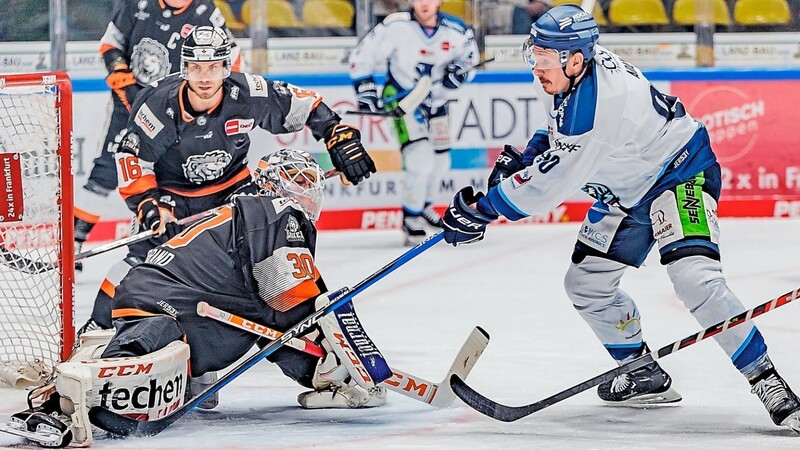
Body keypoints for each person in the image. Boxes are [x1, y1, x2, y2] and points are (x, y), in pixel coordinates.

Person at [441, 5, 800, 432]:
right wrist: (529, 154)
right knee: (586, 284)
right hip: (627, 187)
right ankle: (643, 373)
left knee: (695, 280)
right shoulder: (569, 72)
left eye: (544, 57)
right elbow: (556, 128)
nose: (536, 65)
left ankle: (769, 381)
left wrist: (485, 209)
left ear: (575, 59)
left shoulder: (597, 105)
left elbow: (549, 187)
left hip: (678, 171)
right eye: (533, 53)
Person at [3, 150, 388, 448]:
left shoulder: (249, 215)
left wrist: (312, 370)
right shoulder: (274, 211)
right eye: (297, 180)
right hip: (169, 306)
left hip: (177, 302)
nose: (305, 191)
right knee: (151, 351)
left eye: (310, 182)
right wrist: (334, 349)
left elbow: (270, 320)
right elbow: (285, 298)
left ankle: (88, 387)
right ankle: (62, 401)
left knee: (159, 394)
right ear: (271, 185)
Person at [77, 26, 376, 337]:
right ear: (185, 68)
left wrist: (338, 135)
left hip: (234, 190)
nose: (205, 77)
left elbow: (304, 104)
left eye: (213, 67)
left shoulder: (247, 92)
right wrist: (150, 209)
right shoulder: (158, 103)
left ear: (226, 66)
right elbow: (132, 159)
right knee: (142, 259)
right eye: (196, 68)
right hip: (173, 198)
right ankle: (97, 327)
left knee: (272, 242)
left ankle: (300, 324)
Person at [73, 0, 243, 271]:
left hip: (176, 109)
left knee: (174, 173)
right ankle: (75, 240)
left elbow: (232, 58)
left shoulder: (205, 11)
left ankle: (172, 247)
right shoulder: (137, 4)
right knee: (107, 169)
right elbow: (111, 43)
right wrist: (121, 76)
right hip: (129, 105)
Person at [349, 0, 479, 245]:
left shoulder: (456, 29)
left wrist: (459, 73)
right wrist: (365, 91)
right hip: (400, 101)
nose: (424, 3)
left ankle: (424, 207)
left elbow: (470, 60)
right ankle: (410, 216)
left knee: (441, 160)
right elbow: (361, 57)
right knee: (419, 157)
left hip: (436, 104)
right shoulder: (395, 25)